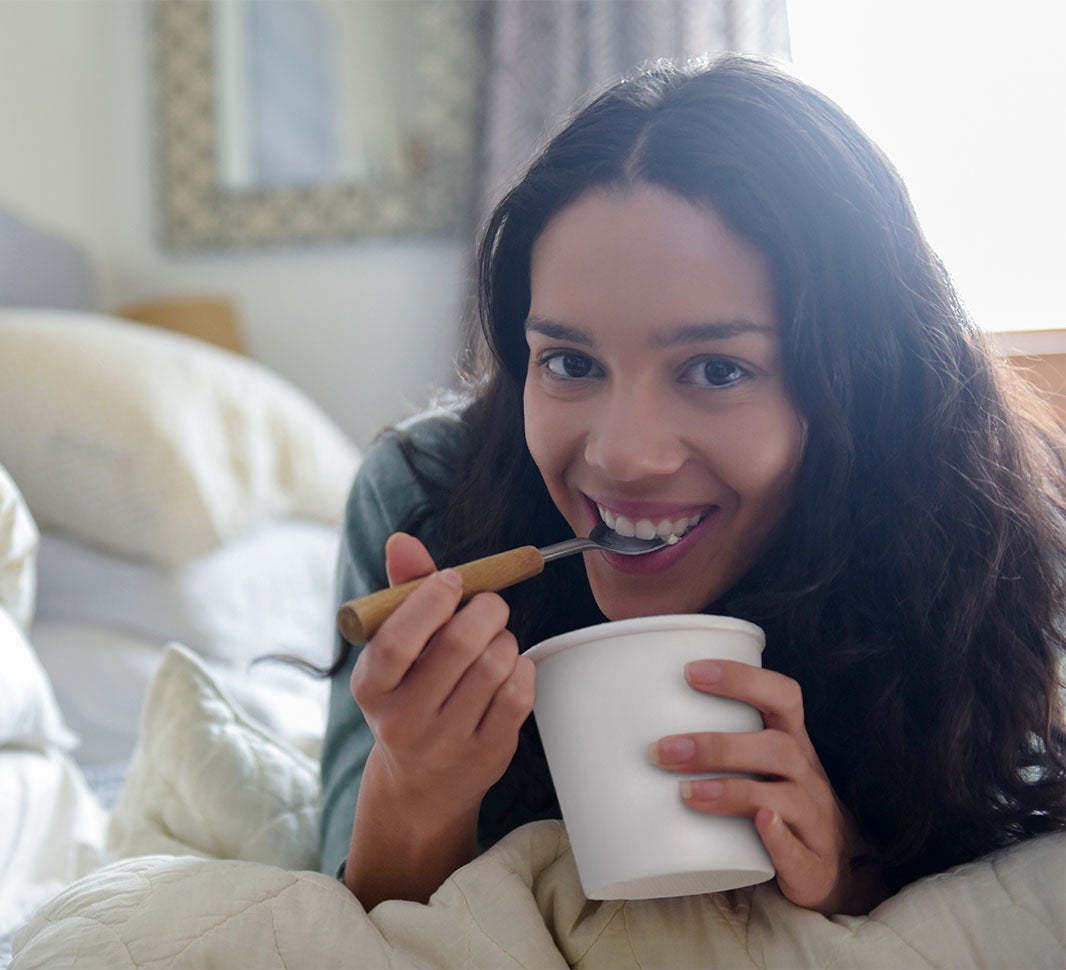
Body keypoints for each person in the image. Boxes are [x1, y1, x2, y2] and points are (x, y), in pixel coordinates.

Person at [317, 53, 1066, 915]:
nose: (626, 454)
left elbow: (1013, 861)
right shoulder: (424, 500)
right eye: (568, 361)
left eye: (715, 370)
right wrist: (414, 792)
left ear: (858, 382)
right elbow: (338, 918)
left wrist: (855, 880)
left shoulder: (985, 542)